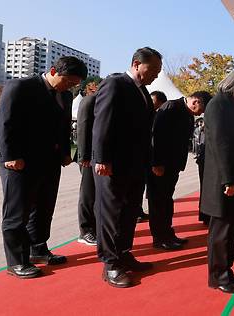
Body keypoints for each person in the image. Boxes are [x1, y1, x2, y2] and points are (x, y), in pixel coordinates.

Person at [0, 56, 87, 279]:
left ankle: (38, 249)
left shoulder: (65, 95)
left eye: (75, 84)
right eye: (68, 81)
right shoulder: (21, 86)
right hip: (19, 161)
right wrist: (11, 155)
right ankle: (17, 261)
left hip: (50, 160)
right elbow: (5, 122)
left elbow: (63, 126)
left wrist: (66, 153)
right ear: (54, 70)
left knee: (44, 208)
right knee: (17, 212)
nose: (70, 86)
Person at [92, 47, 162, 288]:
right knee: (111, 214)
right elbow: (102, 122)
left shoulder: (143, 91)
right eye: (152, 69)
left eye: (158, 71)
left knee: (129, 211)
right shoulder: (115, 84)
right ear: (136, 64)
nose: (155, 75)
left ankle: (123, 253)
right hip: (113, 164)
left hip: (135, 165)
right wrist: (101, 158)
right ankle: (110, 263)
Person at [201, 67, 234, 294]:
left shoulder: (230, 105)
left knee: (230, 229)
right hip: (223, 180)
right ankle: (218, 277)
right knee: (220, 233)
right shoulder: (218, 105)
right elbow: (221, 144)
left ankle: (227, 272)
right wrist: (228, 180)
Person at [148, 91, 211, 250]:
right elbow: (157, 136)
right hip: (160, 165)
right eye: (202, 109)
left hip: (172, 165)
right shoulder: (170, 107)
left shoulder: (188, 114)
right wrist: (157, 162)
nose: (202, 113)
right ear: (196, 101)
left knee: (167, 200)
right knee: (158, 201)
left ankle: (168, 233)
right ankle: (159, 237)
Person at [75, 80, 101, 246]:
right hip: (88, 156)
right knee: (88, 193)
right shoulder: (89, 101)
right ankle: (85, 230)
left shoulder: (105, 101)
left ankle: (97, 227)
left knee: (98, 194)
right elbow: (82, 129)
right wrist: (84, 157)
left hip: (100, 155)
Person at [194, 117, 212, 225]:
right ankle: (206, 215)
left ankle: (205, 215)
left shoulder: (203, 130)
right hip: (206, 162)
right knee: (207, 189)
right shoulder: (206, 131)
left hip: (204, 161)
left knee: (204, 189)